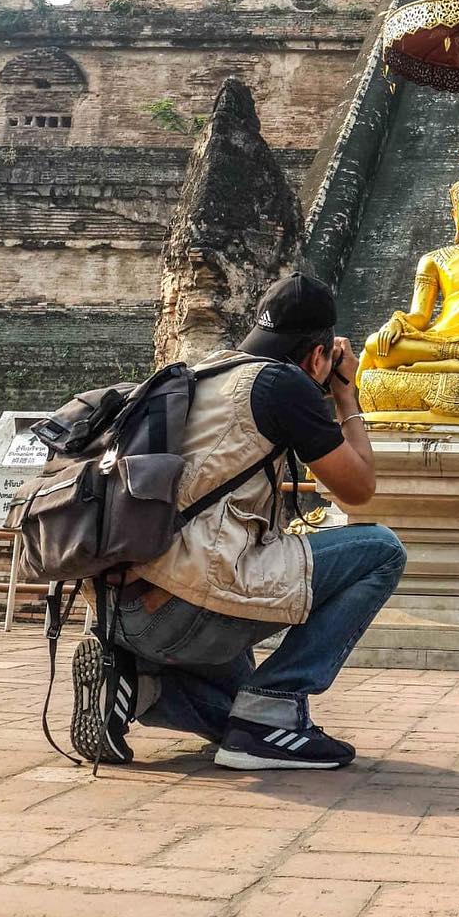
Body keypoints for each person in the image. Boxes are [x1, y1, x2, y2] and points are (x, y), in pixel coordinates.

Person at [69, 272, 406, 771]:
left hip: (121, 608)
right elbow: (359, 490)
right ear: (318, 356)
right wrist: (345, 396)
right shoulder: (282, 383)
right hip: (186, 606)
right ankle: (275, 708)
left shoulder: (205, 370)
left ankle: (136, 685)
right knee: (381, 551)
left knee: (231, 718)